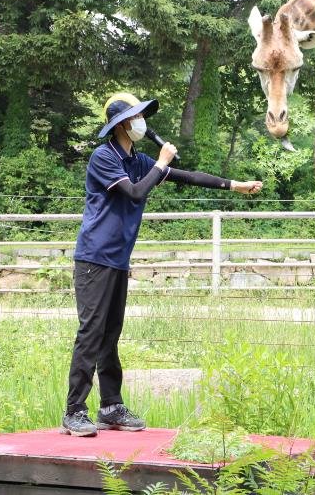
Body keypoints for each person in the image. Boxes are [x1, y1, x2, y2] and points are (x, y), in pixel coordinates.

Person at [61, 92, 262, 437]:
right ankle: (74, 411)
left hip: (118, 260)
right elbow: (136, 193)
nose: (142, 122)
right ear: (123, 124)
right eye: (137, 117)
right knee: (91, 334)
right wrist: (160, 161)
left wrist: (234, 185)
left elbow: (188, 176)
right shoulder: (103, 157)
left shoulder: (137, 160)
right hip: (94, 258)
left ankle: (111, 406)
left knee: (110, 335)